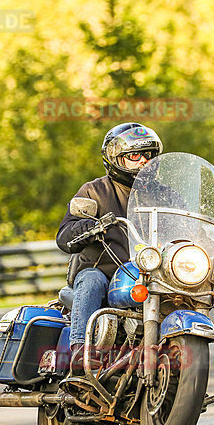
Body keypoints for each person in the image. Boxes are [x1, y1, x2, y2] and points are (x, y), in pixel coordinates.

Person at [56, 122, 163, 351]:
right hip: (104, 272)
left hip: (154, 272)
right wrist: (88, 227)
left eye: (148, 155)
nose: (143, 160)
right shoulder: (95, 191)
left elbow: (190, 223)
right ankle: (79, 349)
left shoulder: (164, 193)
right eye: (134, 155)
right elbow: (64, 235)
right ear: (116, 158)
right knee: (92, 280)